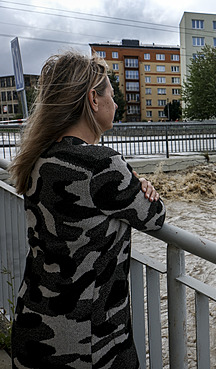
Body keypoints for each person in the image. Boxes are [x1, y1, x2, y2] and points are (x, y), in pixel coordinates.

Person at [8, 51, 166, 368]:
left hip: (32, 329)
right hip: (87, 346)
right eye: (111, 93)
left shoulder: (41, 158)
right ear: (94, 99)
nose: (116, 103)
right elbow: (155, 216)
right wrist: (142, 184)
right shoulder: (101, 163)